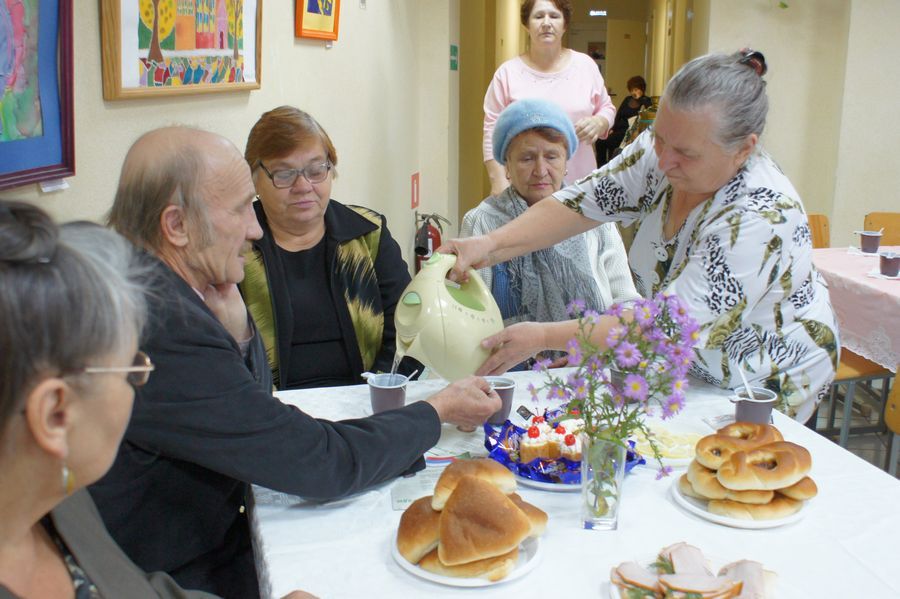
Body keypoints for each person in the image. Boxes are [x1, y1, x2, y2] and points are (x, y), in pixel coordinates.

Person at [91, 127, 500, 598]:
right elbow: (320, 463)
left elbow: (250, 413)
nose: (254, 229)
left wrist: (239, 331)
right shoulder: (165, 328)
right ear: (177, 226)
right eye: (240, 209)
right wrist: (436, 410)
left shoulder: (143, 286)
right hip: (173, 575)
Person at [442, 50, 838, 423]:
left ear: (743, 150)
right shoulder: (665, 147)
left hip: (762, 377)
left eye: (686, 153)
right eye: (659, 138)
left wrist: (545, 335)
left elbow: (662, 327)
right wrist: (488, 244)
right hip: (685, 362)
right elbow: (580, 203)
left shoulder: (759, 218)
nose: (663, 160)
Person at [0, 201, 216, 598]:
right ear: (56, 414)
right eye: (132, 370)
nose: (138, 384)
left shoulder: (57, 496)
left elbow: (133, 590)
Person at [240, 106, 416, 390]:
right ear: (253, 177)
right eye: (284, 174)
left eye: (316, 170)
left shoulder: (367, 235)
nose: (303, 186)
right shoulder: (236, 244)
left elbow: (409, 330)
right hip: (268, 407)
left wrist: (376, 393)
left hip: (365, 401)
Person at [461, 98, 639, 336]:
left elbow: (627, 303)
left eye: (552, 157)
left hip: (588, 354)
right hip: (506, 357)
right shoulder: (482, 222)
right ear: (507, 166)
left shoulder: (594, 217)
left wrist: (595, 343)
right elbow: (471, 316)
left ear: (566, 162)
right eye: (527, 158)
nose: (541, 170)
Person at [483, 0, 616, 196]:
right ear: (526, 25)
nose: (546, 23)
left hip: (580, 185)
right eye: (538, 17)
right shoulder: (508, 73)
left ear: (565, 25)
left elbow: (607, 107)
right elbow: (491, 130)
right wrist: (498, 180)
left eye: (554, 16)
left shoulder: (585, 66)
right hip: (525, 189)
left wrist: (600, 121)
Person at [595, 75, 653, 167]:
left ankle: (611, 165)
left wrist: (640, 98)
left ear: (642, 89)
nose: (634, 92)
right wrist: (612, 128)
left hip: (629, 132)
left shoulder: (646, 101)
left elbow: (648, 110)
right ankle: (601, 165)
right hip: (618, 129)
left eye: (636, 89)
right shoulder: (627, 99)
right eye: (632, 90)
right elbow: (618, 115)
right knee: (600, 141)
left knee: (610, 142)